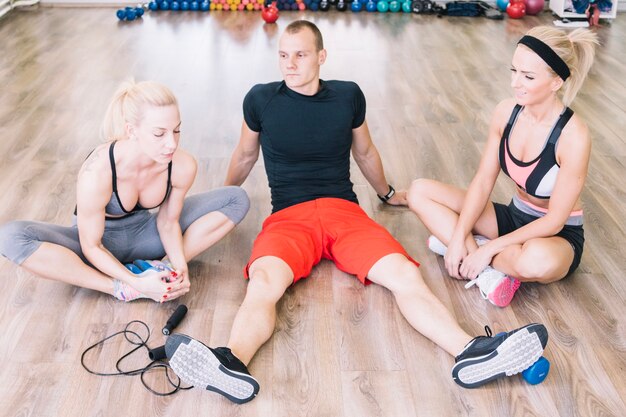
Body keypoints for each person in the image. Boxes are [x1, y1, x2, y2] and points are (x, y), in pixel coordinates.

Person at [163, 21, 549, 403]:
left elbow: (364, 151)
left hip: (343, 213)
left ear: (321, 56)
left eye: (300, 55)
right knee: (264, 283)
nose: (289, 64)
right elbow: (245, 154)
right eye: (283, 55)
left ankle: (471, 351)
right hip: (289, 218)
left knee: (404, 274)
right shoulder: (260, 99)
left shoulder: (348, 96)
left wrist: (388, 193)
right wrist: (224, 201)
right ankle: (231, 361)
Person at [0, 80, 249, 303]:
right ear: (132, 131)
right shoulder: (97, 171)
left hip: (147, 237)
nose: (171, 143)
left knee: (236, 199)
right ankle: (118, 287)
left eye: (176, 130)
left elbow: (167, 222)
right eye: (159, 134)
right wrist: (135, 283)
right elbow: (91, 246)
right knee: (9, 237)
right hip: (98, 247)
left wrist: (179, 265)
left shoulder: (182, 165)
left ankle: (159, 270)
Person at [407, 27, 598, 307]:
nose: (515, 83)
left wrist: (490, 248)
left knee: (535, 260)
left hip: (556, 236)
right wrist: (460, 236)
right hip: (513, 217)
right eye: (514, 71)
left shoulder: (574, 137)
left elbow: (555, 220)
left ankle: (478, 251)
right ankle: (478, 259)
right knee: (419, 191)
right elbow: (484, 181)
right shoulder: (506, 113)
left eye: (528, 76)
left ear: (556, 81)